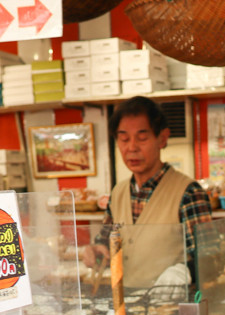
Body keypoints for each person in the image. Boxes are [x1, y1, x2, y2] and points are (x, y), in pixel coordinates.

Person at [82, 96, 217, 294]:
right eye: (124, 138)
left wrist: (182, 272)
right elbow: (106, 241)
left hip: (172, 309)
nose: (132, 147)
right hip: (126, 305)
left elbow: (209, 259)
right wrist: (96, 249)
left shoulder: (188, 193)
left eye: (142, 138)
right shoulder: (118, 193)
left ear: (162, 138)